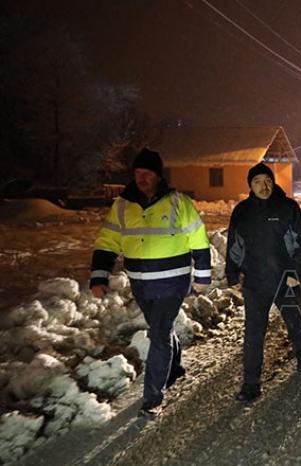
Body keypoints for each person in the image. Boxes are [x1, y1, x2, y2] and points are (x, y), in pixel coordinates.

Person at [90, 148, 211, 417]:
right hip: (141, 284)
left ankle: (153, 396)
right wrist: (99, 275)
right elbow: (107, 241)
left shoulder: (178, 202)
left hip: (172, 282)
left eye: (147, 173)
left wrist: (202, 277)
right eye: (137, 172)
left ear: (158, 175)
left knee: (159, 333)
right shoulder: (122, 205)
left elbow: (199, 239)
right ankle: (174, 367)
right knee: (160, 329)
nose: (142, 177)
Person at [226, 163, 301, 402]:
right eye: (257, 182)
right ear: (250, 186)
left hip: (286, 280)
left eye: (267, 181)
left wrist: (295, 271)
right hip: (255, 283)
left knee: (294, 322)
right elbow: (234, 244)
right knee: (253, 333)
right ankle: (251, 384)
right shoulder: (242, 211)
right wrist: (232, 273)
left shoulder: (287, 207)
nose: (263, 186)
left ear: (273, 183)